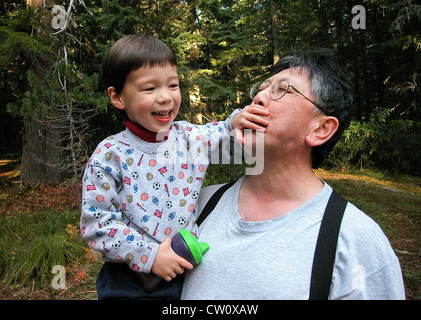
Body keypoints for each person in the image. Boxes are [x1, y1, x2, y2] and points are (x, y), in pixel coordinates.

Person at [181, 49, 406, 300]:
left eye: (283, 89)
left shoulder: (355, 241)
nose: (259, 98)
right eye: (261, 89)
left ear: (320, 129)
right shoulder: (197, 205)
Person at [80, 34, 268, 299]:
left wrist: (239, 119)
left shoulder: (189, 139)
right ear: (118, 97)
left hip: (187, 271)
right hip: (130, 280)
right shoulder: (110, 155)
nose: (166, 97)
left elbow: (225, 131)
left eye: (173, 85)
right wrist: (151, 256)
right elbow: (95, 223)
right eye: (150, 89)